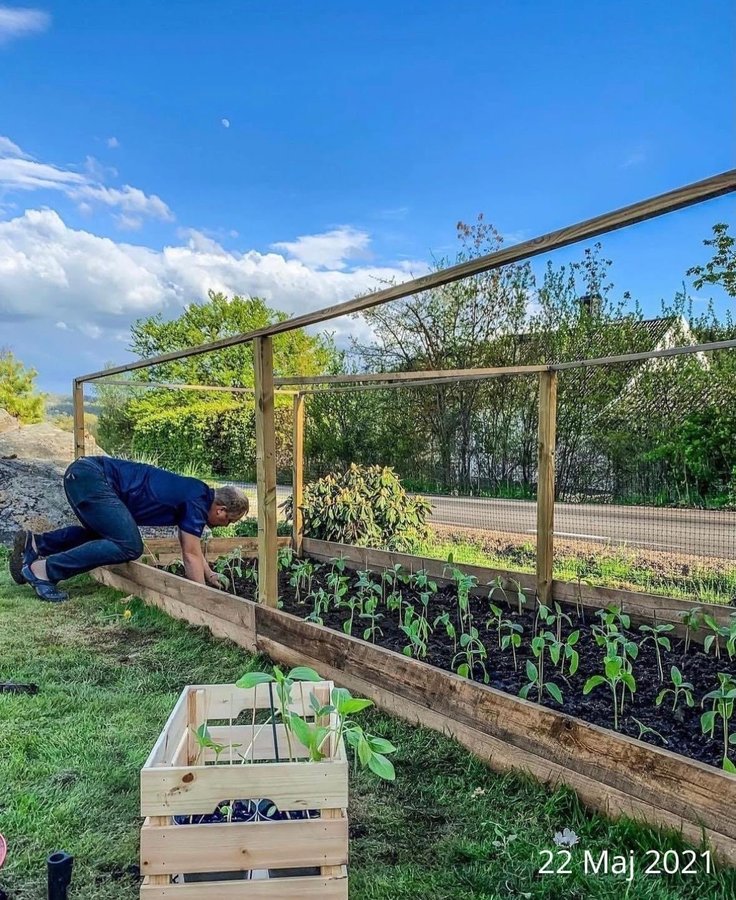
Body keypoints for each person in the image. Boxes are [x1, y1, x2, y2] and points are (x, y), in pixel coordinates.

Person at [8, 456, 249, 602]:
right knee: (129, 545)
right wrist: (203, 598)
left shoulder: (197, 494)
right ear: (220, 510)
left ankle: (37, 544)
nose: (223, 527)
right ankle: (43, 571)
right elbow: (190, 554)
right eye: (228, 522)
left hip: (83, 474)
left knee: (105, 538)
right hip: (94, 479)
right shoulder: (198, 502)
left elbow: (193, 549)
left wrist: (210, 574)